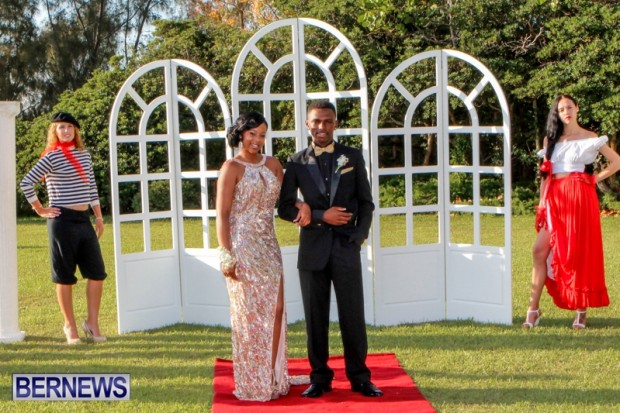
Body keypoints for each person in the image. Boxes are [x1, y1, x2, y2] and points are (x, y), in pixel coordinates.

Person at [278, 100, 383, 398]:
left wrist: (358, 237)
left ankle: (360, 378)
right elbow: (285, 207)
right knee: (315, 318)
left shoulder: (352, 157)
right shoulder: (296, 162)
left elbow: (366, 203)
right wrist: (320, 215)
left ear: (335, 123)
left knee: (353, 315)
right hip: (312, 251)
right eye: (316, 121)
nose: (321, 127)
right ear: (307, 124)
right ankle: (319, 378)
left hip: (346, 248)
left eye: (327, 121)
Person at [216, 111, 309, 401]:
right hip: (242, 245)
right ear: (240, 134)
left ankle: (271, 374)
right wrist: (226, 255)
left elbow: (285, 200)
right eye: (252, 134)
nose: (257, 140)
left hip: (268, 244)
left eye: (262, 134)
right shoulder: (231, 167)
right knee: (248, 313)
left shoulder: (273, 164)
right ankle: (253, 379)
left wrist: (301, 204)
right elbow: (222, 214)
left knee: (277, 309)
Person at [522, 94, 620, 329]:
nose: (566, 111)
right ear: (557, 113)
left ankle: (581, 310)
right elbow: (546, 175)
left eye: (569, 107)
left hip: (580, 197)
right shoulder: (551, 139)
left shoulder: (590, 137)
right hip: (555, 198)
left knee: (578, 252)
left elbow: (616, 161)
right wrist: (542, 204)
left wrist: (595, 178)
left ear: (577, 108)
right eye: (561, 109)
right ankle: (533, 309)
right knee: (539, 250)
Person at [20, 112, 107, 345]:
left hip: (84, 220)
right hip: (61, 221)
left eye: (69, 127)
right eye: (61, 127)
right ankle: (70, 326)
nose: (66, 131)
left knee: (97, 273)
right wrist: (39, 209)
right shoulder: (51, 156)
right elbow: (26, 182)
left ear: (75, 130)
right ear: (55, 132)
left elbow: (91, 187)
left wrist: (98, 216)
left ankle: (92, 323)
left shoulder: (84, 155)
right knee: (65, 276)